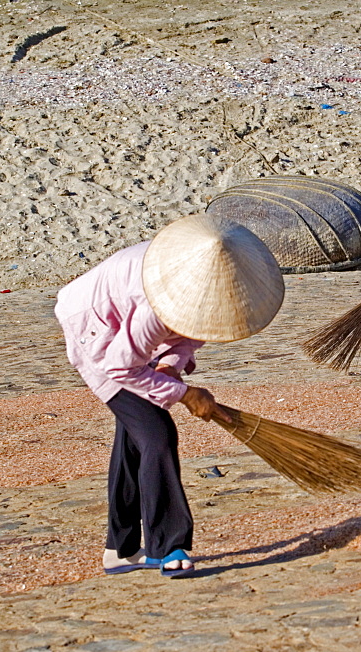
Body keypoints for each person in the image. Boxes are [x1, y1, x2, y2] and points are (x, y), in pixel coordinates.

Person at [54, 214, 284, 577]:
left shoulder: (210, 280)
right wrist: (185, 394)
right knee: (157, 434)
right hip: (93, 330)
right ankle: (167, 545)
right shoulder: (158, 304)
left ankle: (121, 549)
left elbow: (191, 332)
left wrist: (171, 367)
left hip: (121, 328)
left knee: (136, 438)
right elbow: (119, 367)